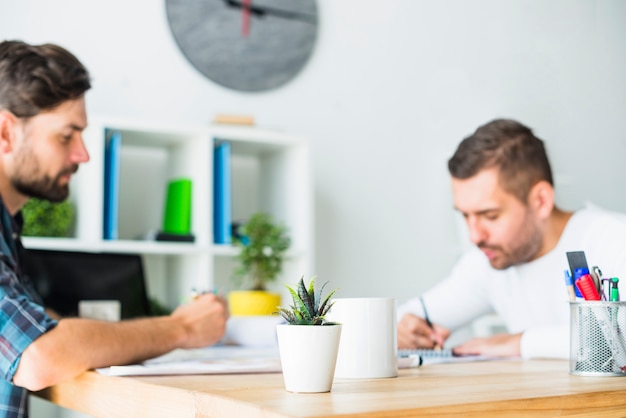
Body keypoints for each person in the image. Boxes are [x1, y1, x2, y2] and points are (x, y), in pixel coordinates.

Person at [0, 40, 228, 417]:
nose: (83, 154)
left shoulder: (8, 224)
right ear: (6, 132)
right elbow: (37, 353)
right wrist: (182, 329)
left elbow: (38, 325)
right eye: (65, 135)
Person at [397, 118, 626, 359]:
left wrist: (519, 343)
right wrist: (405, 331)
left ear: (541, 201)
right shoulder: (489, 260)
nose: (474, 236)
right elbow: (412, 317)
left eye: (490, 216)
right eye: (466, 216)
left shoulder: (614, 239)